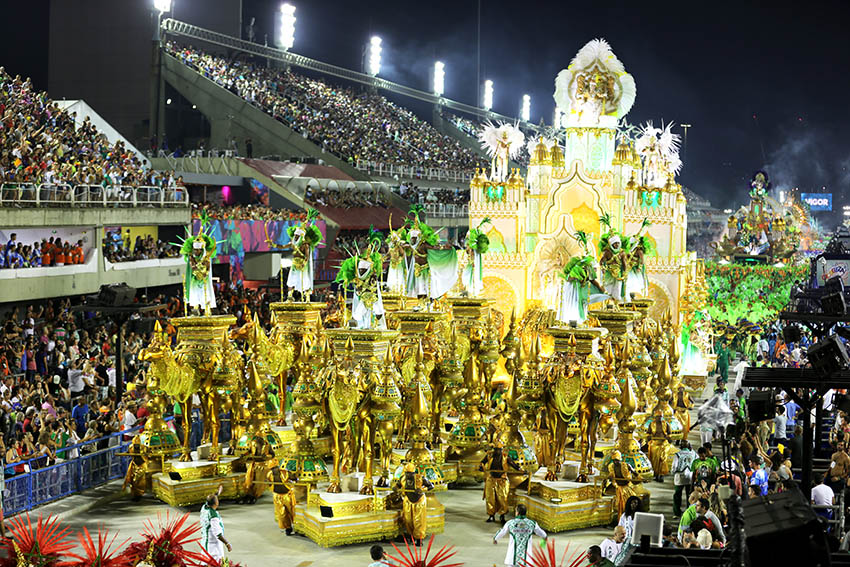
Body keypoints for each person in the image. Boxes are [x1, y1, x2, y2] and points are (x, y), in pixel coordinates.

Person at [481, 440, 520, 524]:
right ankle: (491, 515)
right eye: (496, 449)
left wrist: (520, 469)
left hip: (502, 480)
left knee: (503, 499)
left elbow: (513, 464)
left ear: (502, 450)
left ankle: (502, 515)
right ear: (494, 450)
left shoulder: (505, 457)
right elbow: (482, 462)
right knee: (490, 498)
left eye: (499, 450)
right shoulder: (489, 456)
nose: (497, 451)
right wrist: (481, 467)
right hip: (491, 480)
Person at [200, 486, 232, 560]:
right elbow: (217, 533)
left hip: (205, 541)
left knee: (205, 560)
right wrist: (227, 543)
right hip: (213, 546)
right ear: (216, 503)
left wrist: (218, 492)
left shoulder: (204, 507)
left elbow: (211, 499)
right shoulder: (213, 516)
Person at [671, 440, 697, 517]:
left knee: (677, 495)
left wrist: (673, 472)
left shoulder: (678, 454)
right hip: (690, 477)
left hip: (679, 477)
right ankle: (689, 512)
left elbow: (674, 467)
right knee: (689, 495)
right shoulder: (694, 454)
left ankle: (677, 512)